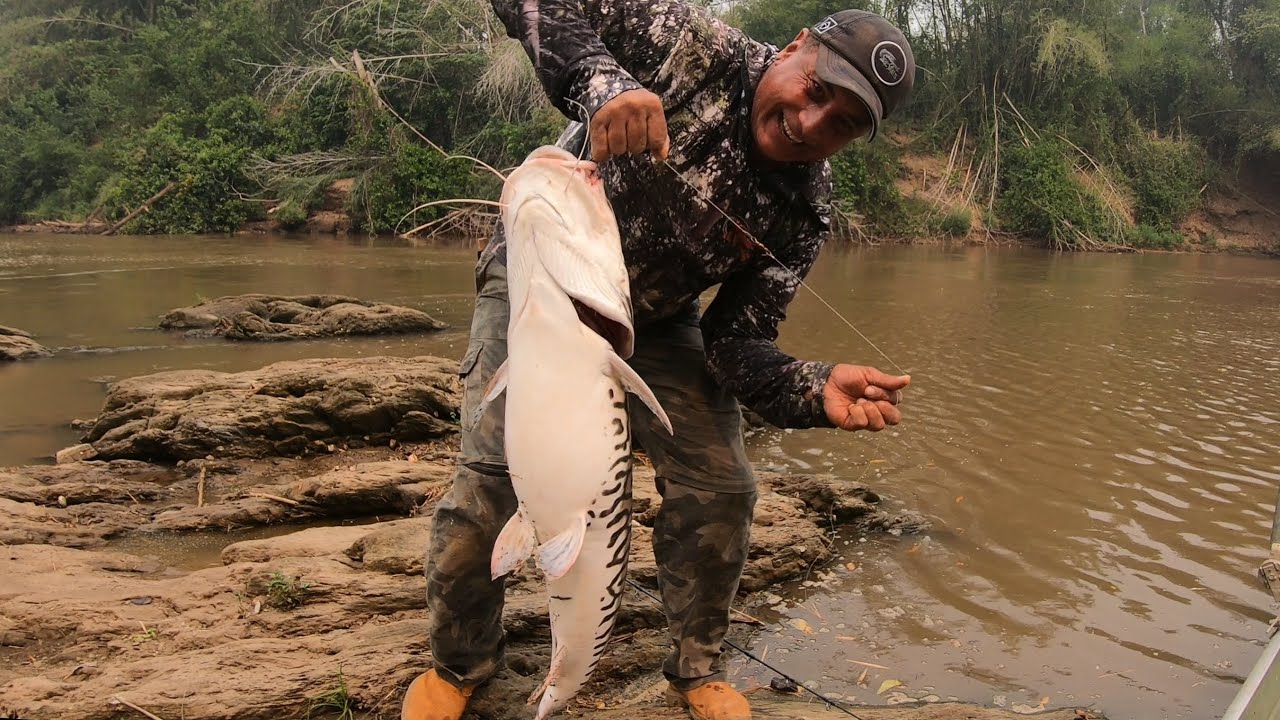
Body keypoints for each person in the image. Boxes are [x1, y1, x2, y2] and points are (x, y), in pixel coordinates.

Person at [404, 1, 916, 718]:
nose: (810, 124)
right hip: (542, 283)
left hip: (658, 318)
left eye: (843, 124)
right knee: (489, 482)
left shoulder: (804, 209)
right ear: (796, 46)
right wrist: (601, 80)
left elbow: (737, 346)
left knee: (726, 487)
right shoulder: (692, 47)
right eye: (816, 90)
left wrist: (813, 388)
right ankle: (460, 664)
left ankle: (697, 667)